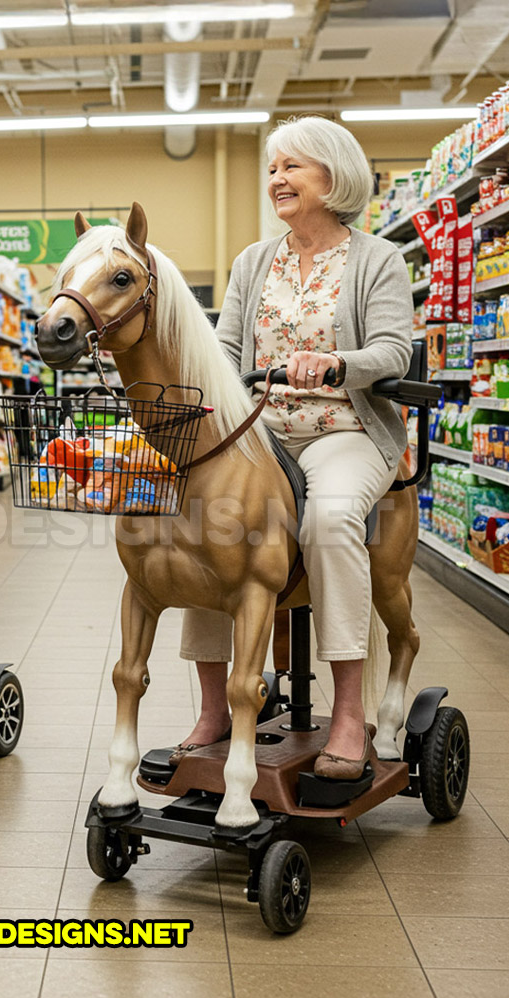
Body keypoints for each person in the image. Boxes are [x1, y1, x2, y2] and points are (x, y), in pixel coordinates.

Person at [175, 115, 413, 779]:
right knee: (207, 519)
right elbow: (225, 349)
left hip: (346, 428)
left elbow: (394, 348)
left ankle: (344, 713)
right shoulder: (254, 261)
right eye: (273, 168)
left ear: (333, 177)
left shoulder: (376, 259)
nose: (277, 179)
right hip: (262, 429)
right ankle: (214, 705)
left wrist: (336, 362)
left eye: (292, 167)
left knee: (333, 519)